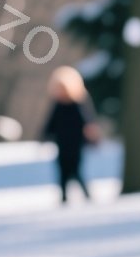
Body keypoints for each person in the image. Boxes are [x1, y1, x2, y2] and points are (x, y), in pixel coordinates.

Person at [42, 68, 99, 204]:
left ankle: (87, 195)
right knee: (62, 171)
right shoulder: (58, 105)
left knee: (76, 170)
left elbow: (87, 121)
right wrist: (45, 135)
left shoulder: (78, 104)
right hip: (62, 143)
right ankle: (63, 197)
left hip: (76, 143)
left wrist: (92, 135)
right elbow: (51, 123)